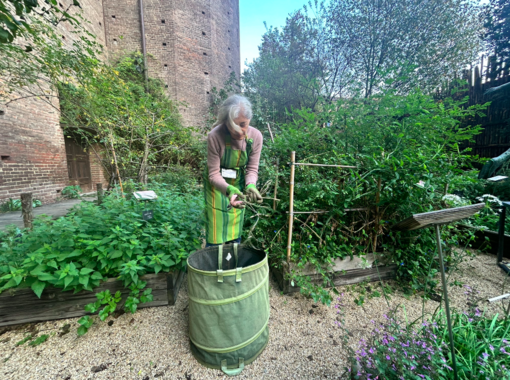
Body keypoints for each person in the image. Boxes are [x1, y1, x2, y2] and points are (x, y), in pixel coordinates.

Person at [204, 95, 263, 247]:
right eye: (234, 126)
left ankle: (231, 262)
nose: (240, 131)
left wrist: (250, 185)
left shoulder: (255, 137)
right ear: (225, 123)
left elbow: (252, 168)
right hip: (216, 187)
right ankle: (214, 263)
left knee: (234, 233)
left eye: (243, 124)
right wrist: (228, 189)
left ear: (249, 120)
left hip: (238, 183)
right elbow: (213, 174)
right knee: (215, 232)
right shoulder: (215, 136)